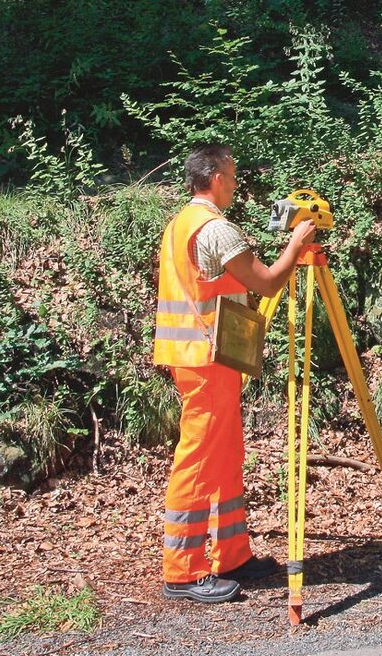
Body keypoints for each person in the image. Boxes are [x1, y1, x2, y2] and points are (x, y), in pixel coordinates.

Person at [152, 143, 317, 603]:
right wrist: (295, 245)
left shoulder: (182, 222)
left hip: (205, 356)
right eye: (233, 173)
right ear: (216, 178)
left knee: (225, 453)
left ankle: (232, 553)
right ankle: (183, 571)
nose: (237, 182)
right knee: (200, 459)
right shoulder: (214, 228)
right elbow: (266, 281)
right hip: (204, 357)